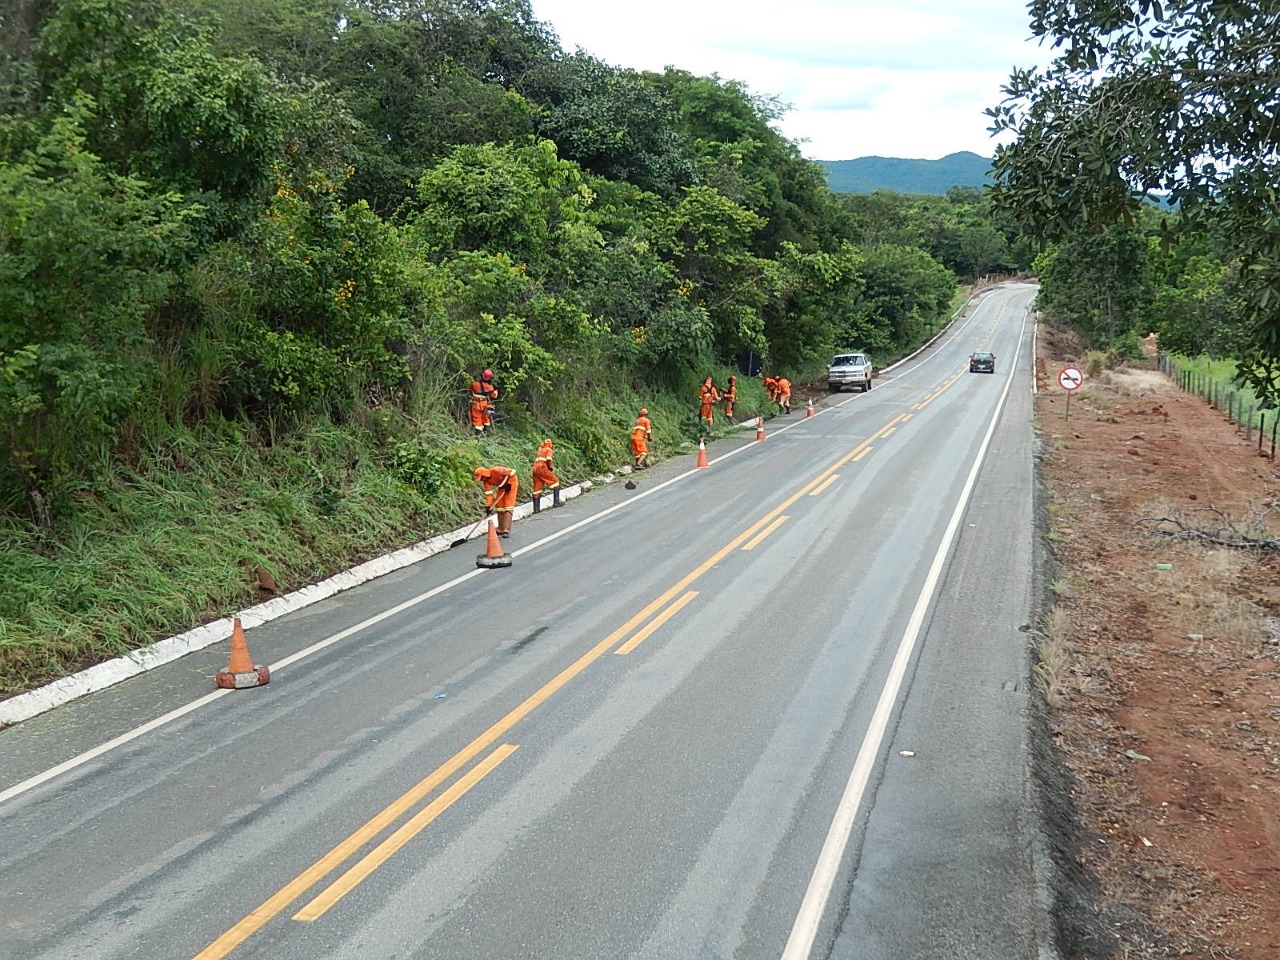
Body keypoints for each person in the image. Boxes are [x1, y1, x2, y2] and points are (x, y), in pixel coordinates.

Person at [474, 465, 519, 537]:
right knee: (499, 506)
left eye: (481, 477)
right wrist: (488, 506)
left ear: (484, 474)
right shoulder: (486, 482)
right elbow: (489, 494)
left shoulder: (496, 470)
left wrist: (509, 483)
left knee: (508, 506)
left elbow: (512, 472)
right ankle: (501, 529)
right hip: (502, 487)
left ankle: (506, 530)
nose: (482, 479)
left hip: (511, 483)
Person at [531, 438, 560, 512]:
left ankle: (536, 509)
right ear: (550, 444)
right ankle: (556, 502)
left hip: (535, 469)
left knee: (537, 487)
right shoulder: (549, 450)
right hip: (542, 468)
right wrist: (550, 467)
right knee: (555, 481)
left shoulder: (539, 451)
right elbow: (549, 459)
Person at [468, 369, 499, 434]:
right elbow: (494, 395)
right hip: (485, 404)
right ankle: (485, 431)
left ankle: (478, 433)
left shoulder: (474, 384)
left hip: (476, 403)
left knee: (477, 418)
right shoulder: (490, 387)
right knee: (486, 418)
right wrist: (495, 389)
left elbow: (470, 390)